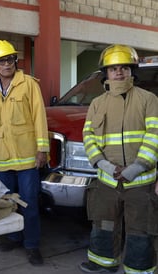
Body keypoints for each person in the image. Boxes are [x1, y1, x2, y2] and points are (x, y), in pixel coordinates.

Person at [80, 44, 158, 274]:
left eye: (124, 67)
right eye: (113, 68)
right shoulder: (97, 103)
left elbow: (155, 135)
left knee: (140, 229)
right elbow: (89, 137)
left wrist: (137, 167)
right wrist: (102, 164)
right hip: (107, 180)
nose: (119, 72)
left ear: (132, 70)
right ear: (106, 73)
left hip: (140, 182)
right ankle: (103, 262)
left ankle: (139, 269)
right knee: (103, 224)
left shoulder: (149, 100)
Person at [0, 40, 49, 265]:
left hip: (27, 159)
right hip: (2, 159)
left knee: (29, 204)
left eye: (9, 59)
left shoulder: (29, 85)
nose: (6, 64)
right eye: (1, 61)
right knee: (7, 202)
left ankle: (32, 245)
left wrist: (42, 149)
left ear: (15, 60)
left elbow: (39, 117)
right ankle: (14, 237)